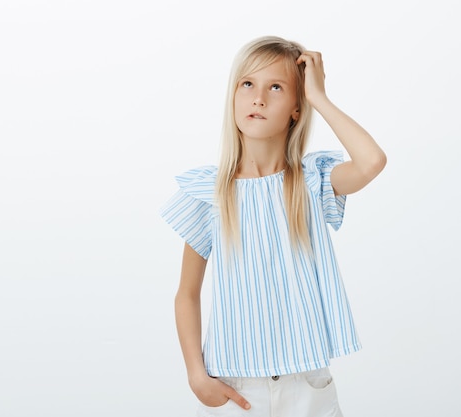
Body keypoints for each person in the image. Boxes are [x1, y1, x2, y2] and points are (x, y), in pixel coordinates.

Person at [159, 35, 386, 416]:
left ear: (296, 108)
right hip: (235, 387)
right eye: (247, 84)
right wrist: (196, 375)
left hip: (307, 385)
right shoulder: (210, 193)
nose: (258, 98)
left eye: (276, 87)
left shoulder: (311, 181)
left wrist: (319, 98)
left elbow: (371, 162)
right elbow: (187, 293)